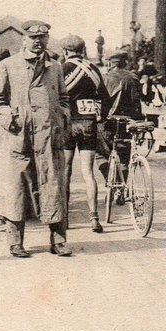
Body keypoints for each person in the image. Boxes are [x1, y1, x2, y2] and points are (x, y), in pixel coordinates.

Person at [0, 19, 72, 258]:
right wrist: (11, 119)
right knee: (16, 189)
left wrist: (61, 117)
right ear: (24, 39)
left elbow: (64, 99)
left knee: (53, 187)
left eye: (42, 38)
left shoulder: (55, 68)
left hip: (47, 138)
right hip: (18, 137)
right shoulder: (7, 66)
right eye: (33, 38)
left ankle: (59, 240)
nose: (38, 42)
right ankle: (15, 242)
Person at [61, 34, 112, 234]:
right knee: (88, 173)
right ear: (82, 51)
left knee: (65, 171)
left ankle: (64, 218)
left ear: (65, 52)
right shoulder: (94, 70)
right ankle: (94, 218)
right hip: (89, 124)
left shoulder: (61, 69)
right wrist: (99, 118)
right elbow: (105, 100)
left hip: (68, 124)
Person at [98, 49, 144, 182]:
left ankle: (111, 182)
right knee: (124, 156)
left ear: (110, 63)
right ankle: (122, 186)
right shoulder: (134, 78)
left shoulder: (105, 79)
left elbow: (100, 103)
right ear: (125, 62)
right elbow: (138, 101)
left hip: (108, 123)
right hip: (129, 122)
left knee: (100, 154)